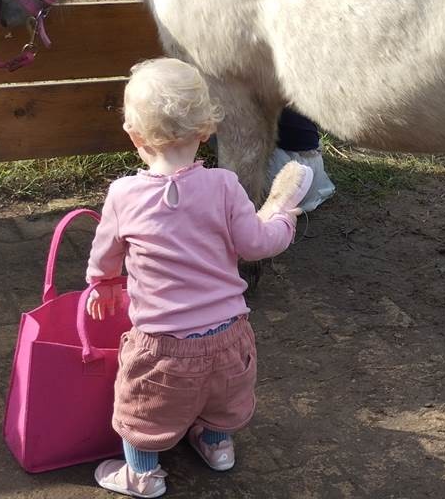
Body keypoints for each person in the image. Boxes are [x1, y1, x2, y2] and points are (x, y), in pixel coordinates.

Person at [84, 58, 312, 498]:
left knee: (141, 411)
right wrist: (284, 218)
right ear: (206, 130)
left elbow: (105, 252)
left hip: (163, 345)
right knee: (220, 398)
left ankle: (143, 476)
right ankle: (217, 444)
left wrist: (104, 282)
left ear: (133, 135)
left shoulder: (124, 196)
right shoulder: (224, 185)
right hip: (230, 335)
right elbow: (257, 243)